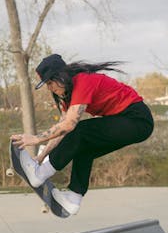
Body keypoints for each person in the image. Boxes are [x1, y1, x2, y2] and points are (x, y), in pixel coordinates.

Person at [11, 54, 154, 215]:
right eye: (47, 85)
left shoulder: (83, 81)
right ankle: (73, 198)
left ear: (62, 76)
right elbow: (60, 131)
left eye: (51, 82)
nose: (50, 88)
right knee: (84, 147)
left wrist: (36, 139)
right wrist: (40, 157)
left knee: (81, 131)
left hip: (137, 119)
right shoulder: (68, 97)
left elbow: (70, 125)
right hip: (126, 122)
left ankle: (41, 173)